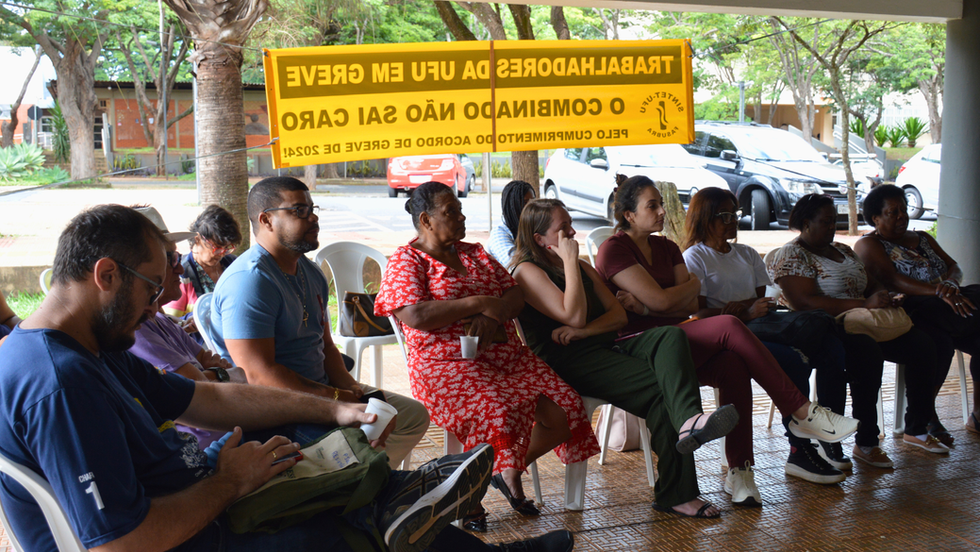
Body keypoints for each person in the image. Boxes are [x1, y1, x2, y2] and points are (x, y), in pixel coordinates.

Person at [0, 204, 573, 552]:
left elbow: (207, 398)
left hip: (194, 496)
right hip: (190, 538)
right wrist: (229, 482)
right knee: (353, 527)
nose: (158, 306)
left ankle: (402, 498)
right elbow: (122, 542)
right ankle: (400, 504)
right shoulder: (60, 384)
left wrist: (334, 409)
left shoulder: (89, 349)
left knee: (342, 483)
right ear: (105, 274)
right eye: (153, 288)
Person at [512, 198, 843, 517]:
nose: (572, 233)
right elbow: (573, 314)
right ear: (540, 239)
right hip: (568, 361)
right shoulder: (528, 271)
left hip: (604, 344)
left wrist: (584, 326)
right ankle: (678, 492)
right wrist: (570, 267)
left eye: (571, 224)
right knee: (663, 389)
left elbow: (617, 317)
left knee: (670, 337)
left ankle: (689, 426)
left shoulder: (584, 267)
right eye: (563, 228)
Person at [593, 176, 858, 507]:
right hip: (640, 347)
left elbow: (689, 303)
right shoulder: (614, 249)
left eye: (661, 203)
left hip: (677, 340)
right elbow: (667, 303)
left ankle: (740, 471)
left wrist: (656, 300)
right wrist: (665, 298)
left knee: (733, 365)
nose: (663, 211)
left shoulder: (668, 247)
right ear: (629, 215)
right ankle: (802, 411)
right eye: (652, 206)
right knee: (729, 324)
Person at [375, 182, 599, 530]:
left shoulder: (474, 253)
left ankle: (500, 471)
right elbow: (414, 315)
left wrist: (493, 313)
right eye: (451, 212)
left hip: (507, 357)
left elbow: (514, 296)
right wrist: (480, 303)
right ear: (426, 220)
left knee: (567, 408)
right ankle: (470, 498)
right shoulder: (407, 260)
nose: (461, 217)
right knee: (494, 407)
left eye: (461, 210)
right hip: (445, 364)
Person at [210, 177, 429, 469]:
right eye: (299, 210)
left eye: (312, 209)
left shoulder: (309, 272)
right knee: (356, 444)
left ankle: (364, 484)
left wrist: (352, 389)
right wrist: (337, 400)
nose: (312, 217)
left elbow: (325, 345)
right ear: (266, 220)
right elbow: (260, 377)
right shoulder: (250, 282)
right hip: (273, 409)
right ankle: (364, 483)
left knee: (411, 416)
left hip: (319, 392)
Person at [681, 188, 853, 484]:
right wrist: (739, 313)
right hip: (727, 340)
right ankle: (800, 449)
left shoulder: (746, 253)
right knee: (792, 360)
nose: (731, 221)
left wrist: (749, 309)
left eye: (733, 214)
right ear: (704, 219)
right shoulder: (695, 257)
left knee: (832, 347)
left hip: (760, 328)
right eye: (723, 216)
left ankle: (828, 437)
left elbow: (763, 303)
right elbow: (698, 316)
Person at [768, 193, 945, 465]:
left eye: (834, 221)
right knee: (866, 354)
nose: (832, 227)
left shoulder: (843, 249)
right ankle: (865, 441)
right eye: (825, 222)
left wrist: (883, 296)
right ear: (806, 223)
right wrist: (864, 302)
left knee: (923, 344)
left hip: (864, 321)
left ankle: (917, 428)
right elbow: (803, 303)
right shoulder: (792, 254)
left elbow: (870, 281)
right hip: (824, 328)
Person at [855, 184, 980, 443]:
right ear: (875, 218)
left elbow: (953, 266)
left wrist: (952, 286)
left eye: (903, 209)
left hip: (949, 305)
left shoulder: (922, 237)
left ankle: (978, 414)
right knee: (939, 342)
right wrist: (939, 292)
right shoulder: (869, 244)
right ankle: (926, 414)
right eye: (893, 212)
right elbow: (893, 279)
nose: (901, 216)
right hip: (912, 309)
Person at [129, 206, 247, 449]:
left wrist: (213, 373)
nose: (179, 267)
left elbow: (204, 360)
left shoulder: (158, 320)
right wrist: (224, 374)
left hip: (224, 421)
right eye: (171, 259)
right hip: (206, 442)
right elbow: (198, 387)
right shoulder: (138, 331)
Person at [165, 205, 242, 320]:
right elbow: (170, 322)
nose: (221, 254)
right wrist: (195, 318)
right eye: (216, 247)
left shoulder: (233, 264)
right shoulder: (181, 274)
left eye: (227, 248)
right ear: (197, 238)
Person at [487, 180, 535, 266]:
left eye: (533, 201)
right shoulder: (499, 233)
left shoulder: (533, 228)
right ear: (511, 207)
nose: (531, 207)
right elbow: (515, 264)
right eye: (525, 202)